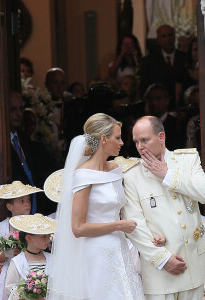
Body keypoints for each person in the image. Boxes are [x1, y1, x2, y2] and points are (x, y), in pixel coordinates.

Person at [47, 113, 145, 299]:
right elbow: (78, 228)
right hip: (95, 252)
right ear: (103, 139)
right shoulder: (83, 176)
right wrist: (118, 226)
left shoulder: (115, 169)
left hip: (119, 247)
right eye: (117, 137)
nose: (122, 142)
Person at [120, 116, 205, 300]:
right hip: (160, 274)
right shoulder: (132, 176)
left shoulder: (187, 160)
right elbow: (134, 225)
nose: (140, 147)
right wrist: (163, 259)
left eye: (145, 140)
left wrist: (168, 175)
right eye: (136, 141)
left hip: (193, 266)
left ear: (161, 137)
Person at [0, 181, 43, 300]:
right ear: (10, 206)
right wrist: (7, 253)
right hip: (8, 271)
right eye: (22, 201)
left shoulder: (35, 223)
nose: (27, 204)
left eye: (28, 200)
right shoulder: (1, 228)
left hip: (30, 269)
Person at [5, 214, 55, 299]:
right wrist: (26, 292)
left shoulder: (51, 259)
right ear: (29, 238)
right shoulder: (18, 261)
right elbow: (9, 287)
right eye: (43, 236)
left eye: (48, 235)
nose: (48, 239)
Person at [139, 25, 185, 109]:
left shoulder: (184, 58)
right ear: (158, 39)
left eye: (170, 35)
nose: (167, 39)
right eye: (163, 36)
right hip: (157, 108)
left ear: (174, 37)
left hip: (181, 107)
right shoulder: (148, 61)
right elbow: (144, 87)